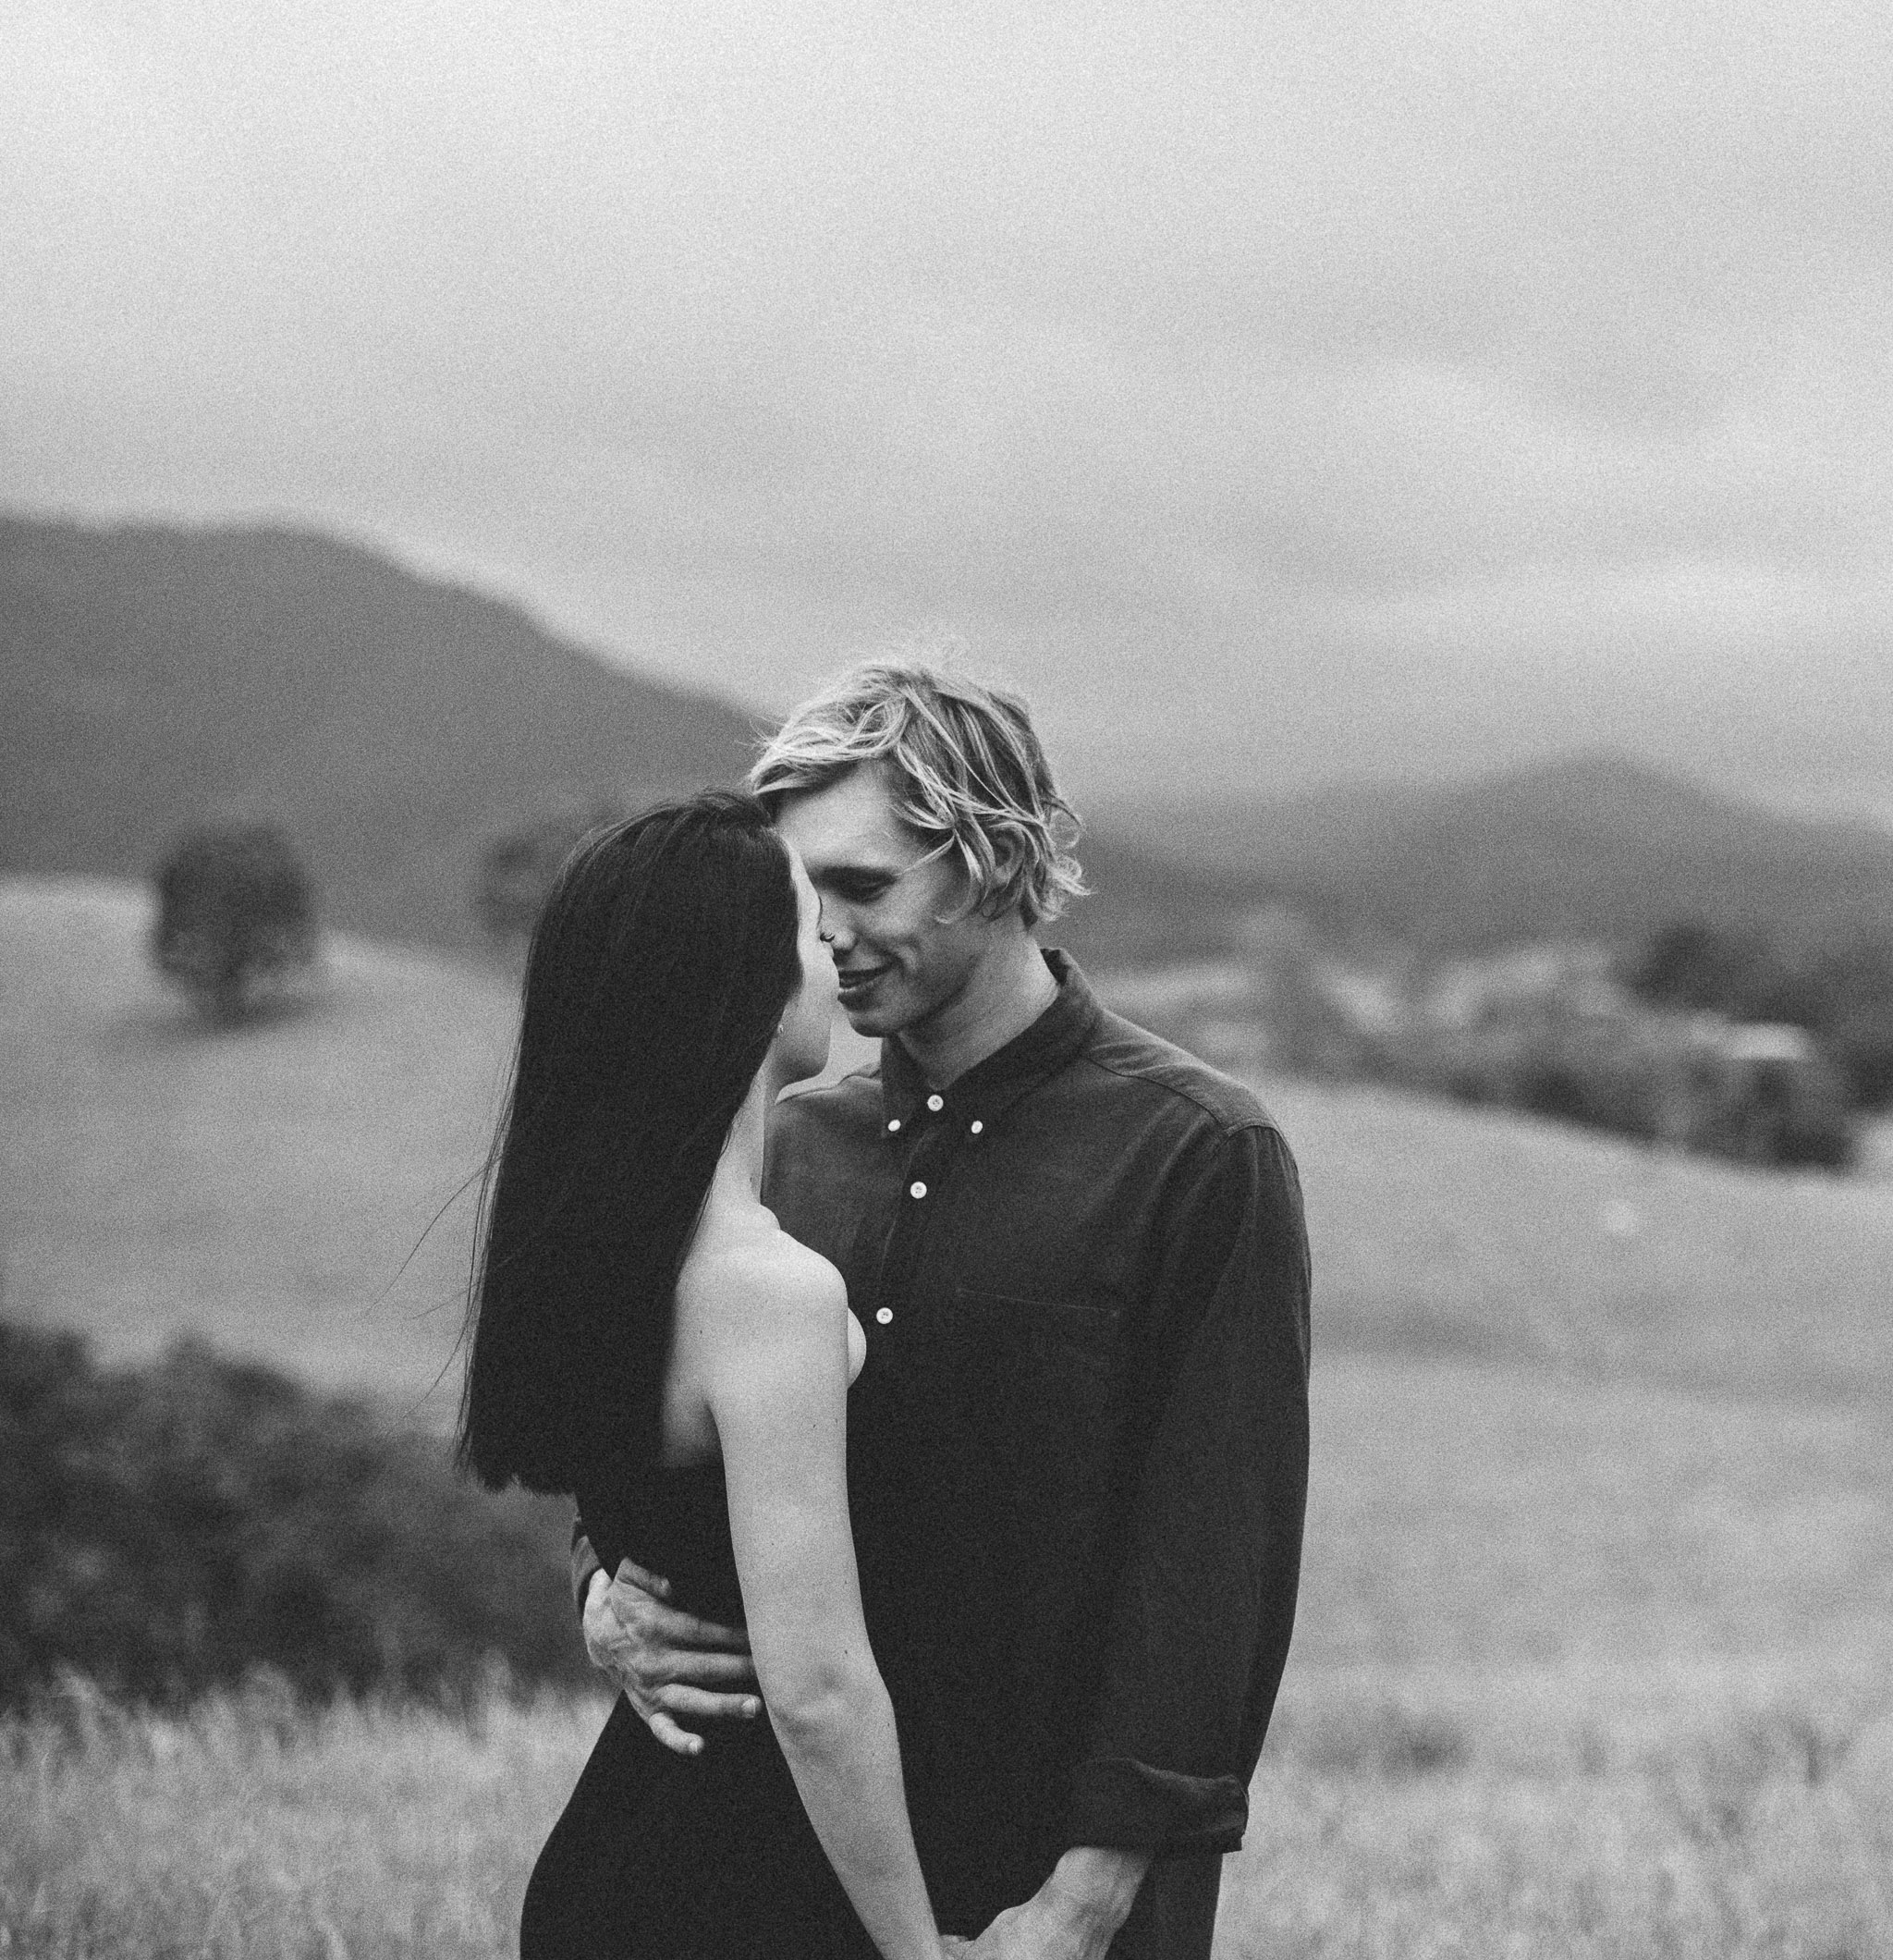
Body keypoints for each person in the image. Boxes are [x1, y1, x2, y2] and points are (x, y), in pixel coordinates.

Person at [576, 666, 1313, 1960]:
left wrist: (1084, 1903)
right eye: (801, 904)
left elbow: (1211, 1576)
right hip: (779, 1865)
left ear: (992, 859)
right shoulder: (782, 1150)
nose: (823, 940)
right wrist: (600, 1592)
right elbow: (648, 1431)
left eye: (863, 889)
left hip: (1053, 1893)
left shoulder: (1198, 1154)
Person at [457, 791, 958, 1960]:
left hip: (617, 1856)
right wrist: (920, 1951)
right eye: (804, 920)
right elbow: (818, 1690)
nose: (832, 942)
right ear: (740, 983)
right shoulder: (767, 1292)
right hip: (739, 1885)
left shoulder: (602, 1248)